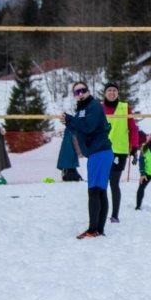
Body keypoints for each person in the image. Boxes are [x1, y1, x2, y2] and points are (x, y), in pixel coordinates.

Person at [60, 82, 114, 239]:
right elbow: (79, 129)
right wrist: (68, 122)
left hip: (100, 152)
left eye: (83, 90)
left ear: (88, 91)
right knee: (100, 191)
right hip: (98, 153)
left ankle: (93, 230)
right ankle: (98, 229)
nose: (80, 94)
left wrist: (71, 119)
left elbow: (89, 126)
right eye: (77, 92)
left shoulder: (94, 106)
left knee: (94, 191)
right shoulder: (81, 109)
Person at [102, 82, 139, 223]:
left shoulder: (124, 107)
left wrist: (134, 147)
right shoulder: (99, 108)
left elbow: (133, 129)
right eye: (109, 90)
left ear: (117, 93)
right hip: (102, 151)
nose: (112, 92)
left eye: (114, 90)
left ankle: (115, 215)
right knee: (101, 184)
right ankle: (101, 211)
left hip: (119, 152)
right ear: (105, 93)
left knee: (114, 183)